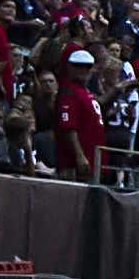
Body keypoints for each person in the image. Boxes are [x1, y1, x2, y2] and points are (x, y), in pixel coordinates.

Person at [55, 48, 105, 183]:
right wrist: (80, 155)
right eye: (78, 66)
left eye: (87, 67)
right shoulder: (68, 92)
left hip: (93, 160)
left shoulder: (85, 92)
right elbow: (68, 127)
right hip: (75, 165)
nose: (83, 70)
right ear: (70, 67)